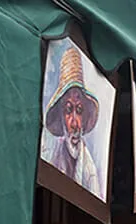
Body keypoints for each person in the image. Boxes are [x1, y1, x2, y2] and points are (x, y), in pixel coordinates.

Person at [42, 45, 101, 197]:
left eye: (79, 111)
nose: (75, 124)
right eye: (69, 110)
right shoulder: (51, 154)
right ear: (61, 115)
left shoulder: (89, 171)